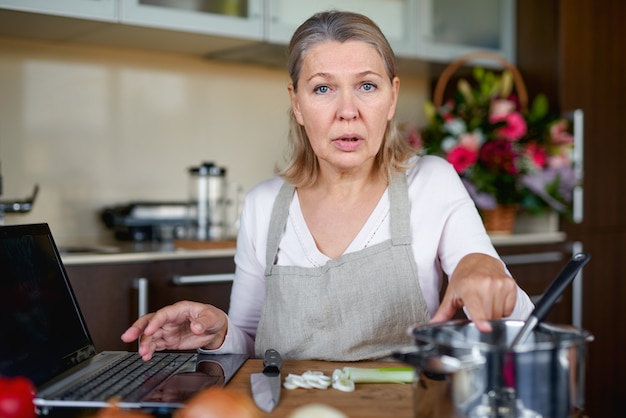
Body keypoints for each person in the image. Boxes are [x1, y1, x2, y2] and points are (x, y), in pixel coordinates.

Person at [122, 10, 534, 361]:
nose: (348, 111)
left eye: (367, 86)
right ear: (297, 103)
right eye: (323, 88)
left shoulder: (431, 181)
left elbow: (522, 326)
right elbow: (247, 345)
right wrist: (218, 334)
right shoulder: (263, 205)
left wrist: (484, 269)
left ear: (392, 98)